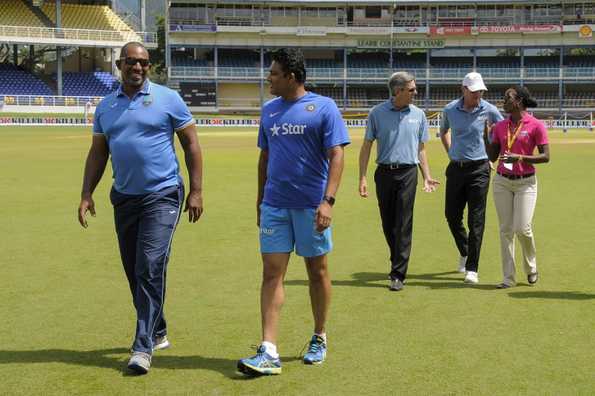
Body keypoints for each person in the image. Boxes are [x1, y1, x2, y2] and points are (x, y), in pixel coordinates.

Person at [77, 42, 204, 374]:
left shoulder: (168, 99)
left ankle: (142, 346)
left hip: (163, 195)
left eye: (144, 63)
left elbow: (191, 144)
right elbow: (98, 153)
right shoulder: (106, 107)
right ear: (120, 64)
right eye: (131, 62)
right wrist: (86, 193)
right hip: (124, 197)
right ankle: (158, 328)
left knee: (148, 265)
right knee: (135, 269)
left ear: (149, 67)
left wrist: (196, 191)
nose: (138, 67)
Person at [237, 48, 350, 376]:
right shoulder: (270, 111)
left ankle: (319, 336)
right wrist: (260, 201)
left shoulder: (324, 108)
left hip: (311, 207)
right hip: (275, 206)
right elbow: (264, 158)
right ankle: (268, 350)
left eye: (273, 73)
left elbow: (337, 155)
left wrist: (328, 201)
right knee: (271, 274)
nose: (268, 78)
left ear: (292, 76)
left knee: (318, 272)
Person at [358, 72, 440, 291]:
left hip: (408, 173)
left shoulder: (419, 114)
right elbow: (366, 146)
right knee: (388, 222)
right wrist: (363, 177)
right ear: (398, 91)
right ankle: (397, 258)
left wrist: (427, 176)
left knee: (403, 222)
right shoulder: (376, 113)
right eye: (412, 89)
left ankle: (398, 273)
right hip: (383, 173)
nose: (416, 92)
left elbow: (421, 149)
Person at [439, 72, 503, 284]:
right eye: (474, 91)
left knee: (476, 219)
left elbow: (503, 133)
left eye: (481, 91)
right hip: (456, 168)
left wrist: (493, 154)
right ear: (464, 89)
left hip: (479, 169)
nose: (478, 95)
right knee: (451, 215)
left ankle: (472, 268)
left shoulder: (489, 110)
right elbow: (444, 132)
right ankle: (465, 250)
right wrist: (451, 153)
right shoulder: (449, 110)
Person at [485, 86, 550, 288]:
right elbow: (492, 157)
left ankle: (531, 268)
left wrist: (520, 157)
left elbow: (546, 156)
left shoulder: (536, 125)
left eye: (507, 98)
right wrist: (484, 137)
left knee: (522, 228)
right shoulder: (500, 126)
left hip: (526, 182)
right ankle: (508, 278)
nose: (503, 101)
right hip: (502, 181)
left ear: (519, 101)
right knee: (505, 230)